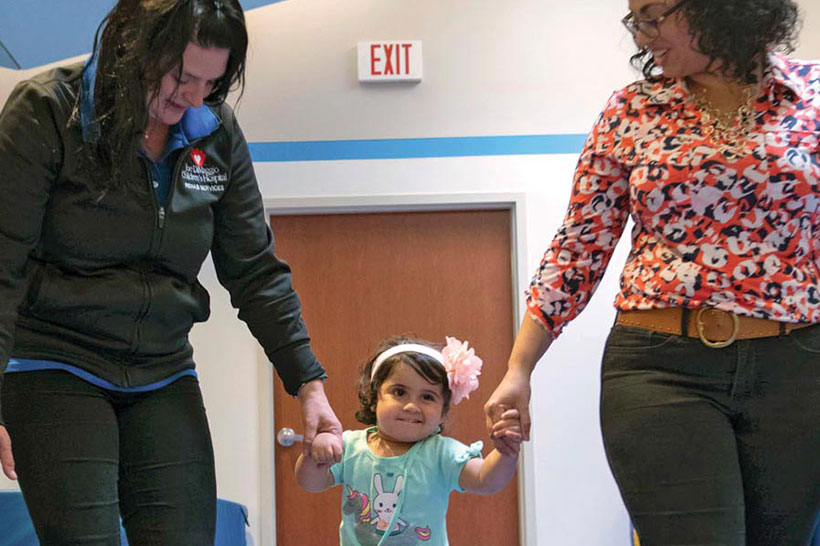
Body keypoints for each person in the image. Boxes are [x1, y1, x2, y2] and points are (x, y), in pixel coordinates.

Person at [0, 1, 342, 544]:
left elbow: (254, 269)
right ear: (130, 47)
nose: (192, 96)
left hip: (162, 370)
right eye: (181, 76)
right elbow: (3, 263)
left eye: (211, 81)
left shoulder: (215, 131)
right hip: (55, 361)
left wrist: (308, 383)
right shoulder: (47, 110)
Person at [484, 0, 820, 544]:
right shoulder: (631, 110)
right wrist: (520, 367)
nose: (641, 36)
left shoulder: (812, 97)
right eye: (633, 19)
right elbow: (579, 246)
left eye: (653, 15)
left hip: (798, 373)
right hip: (662, 369)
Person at [295, 336, 521, 546]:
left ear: (443, 411)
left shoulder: (442, 454)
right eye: (399, 392)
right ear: (374, 399)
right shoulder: (350, 446)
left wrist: (506, 452)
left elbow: (486, 480)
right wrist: (316, 455)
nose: (412, 406)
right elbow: (311, 483)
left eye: (427, 397)